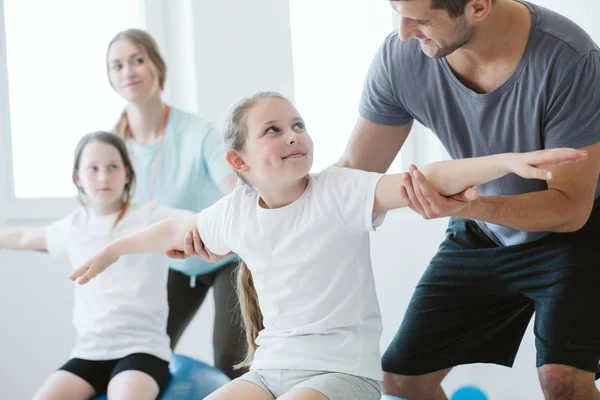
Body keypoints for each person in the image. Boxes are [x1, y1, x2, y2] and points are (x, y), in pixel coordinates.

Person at [68, 92, 585, 400]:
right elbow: (171, 231)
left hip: (343, 372)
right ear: (239, 162)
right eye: (273, 129)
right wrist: (114, 250)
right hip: (271, 369)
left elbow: (430, 175)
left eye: (298, 125)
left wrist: (507, 161)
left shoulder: (341, 191)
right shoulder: (236, 212)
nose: (294, 135)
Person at [337, 0, 600, 399]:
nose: (404, 31)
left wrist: (468, 205)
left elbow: (569, 207)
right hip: (482, 228)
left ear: (478, 6)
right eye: (397, 12)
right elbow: (356, 170)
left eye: (421, 19)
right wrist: (267, 206)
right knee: (404, 381)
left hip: (577, 232)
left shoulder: (570, 59)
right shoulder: (400, 58)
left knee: (562, 380)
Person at [0, 132, 197, 399]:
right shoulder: (74, 226)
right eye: (93, 169)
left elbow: (198, 221)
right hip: (89, 353)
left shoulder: (150, 216)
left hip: (141, 349)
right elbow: (22, 237)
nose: (103, 177)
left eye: (113, 167)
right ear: (78, 178)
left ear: (127, 174)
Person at [105, 28, 247, 378]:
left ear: (157, 66)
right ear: (110, 78)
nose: (129, 72)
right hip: (174, 260)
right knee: (141, 353)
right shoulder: (114, 147)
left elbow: (236, 194)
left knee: (230, 356)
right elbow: (104, 212)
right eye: (118, 65)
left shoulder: (198, 132)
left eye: (137, 60)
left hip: (226, 255)